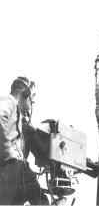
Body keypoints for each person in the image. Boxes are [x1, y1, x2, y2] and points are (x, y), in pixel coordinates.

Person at [0, 76, 49, 205]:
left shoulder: (19, 118)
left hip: (12, 174)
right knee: (39, 197)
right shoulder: (8, 101)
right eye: (32, 101)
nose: (31, 105)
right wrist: (9, 154)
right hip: (10, 168)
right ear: (26, 94)